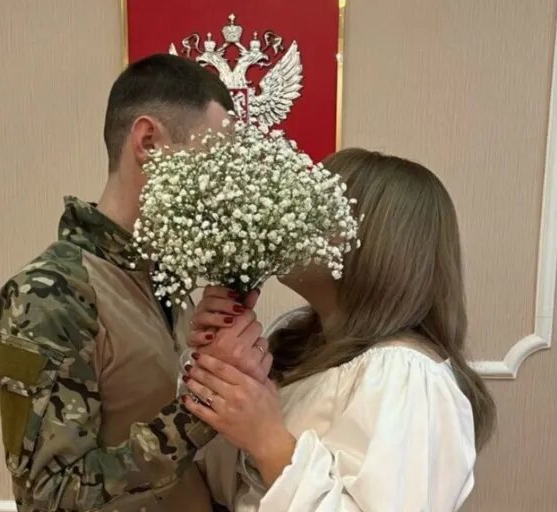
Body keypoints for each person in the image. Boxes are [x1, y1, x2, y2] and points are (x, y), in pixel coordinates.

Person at [0, 54, 271, 512]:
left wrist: (205, 355)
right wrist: (203, 405)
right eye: (212, 161)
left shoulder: (166, 279)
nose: (223, 186)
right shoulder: (49, 295)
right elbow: (49, 500)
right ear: (148, 142)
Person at [184, 148, 497, 511]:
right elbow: (223, 485)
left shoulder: (406, 375)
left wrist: (268, 441)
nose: (289, 224)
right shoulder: (299, 348)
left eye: (314, 211)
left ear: (373, 243)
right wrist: (220, 366)